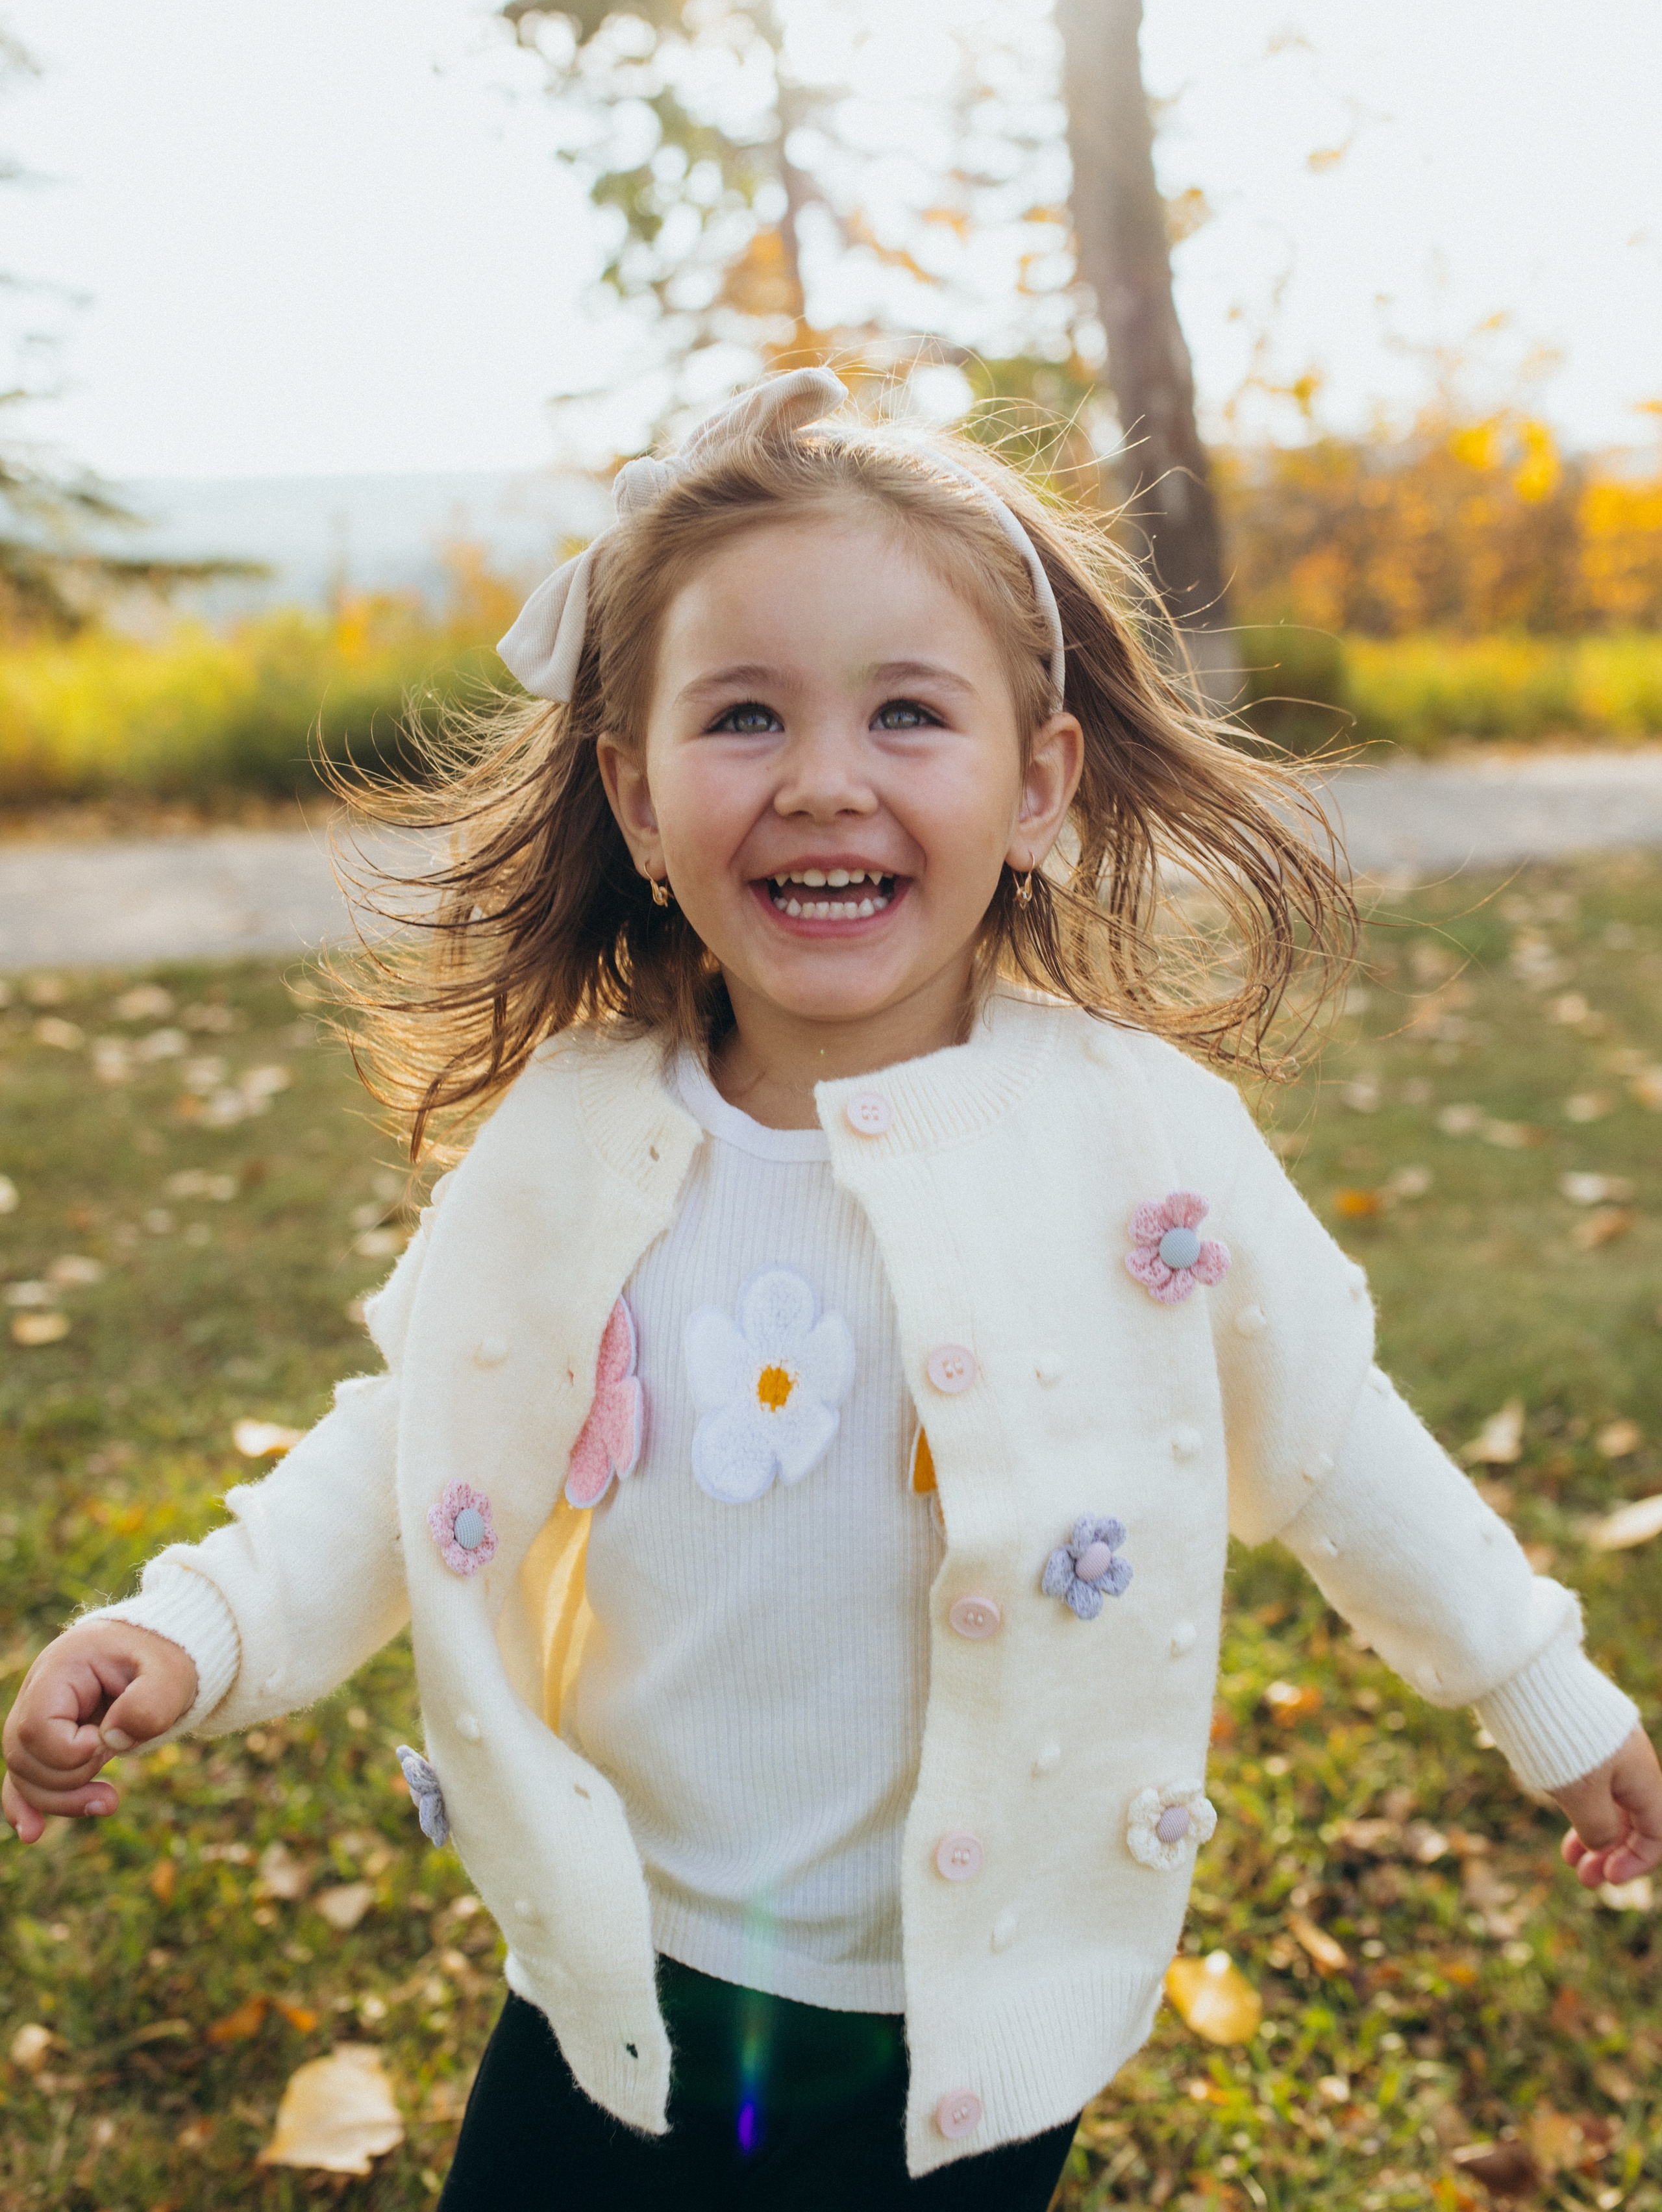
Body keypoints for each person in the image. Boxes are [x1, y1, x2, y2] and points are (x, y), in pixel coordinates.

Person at [5, 367, 1658, 2209]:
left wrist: (1544, 1692)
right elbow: (417, 1453)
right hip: (622, 1981)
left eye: (904, 713)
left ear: (1037, 782)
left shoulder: (1134, 1143)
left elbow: (1335, 1445)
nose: (821, 779)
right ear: (635, 795)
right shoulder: (577, 1146)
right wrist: (196, 1631)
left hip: (964, 2025)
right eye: (741, 717)